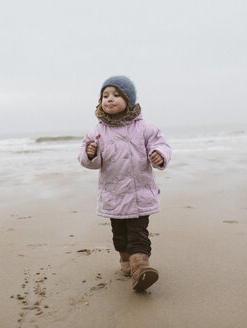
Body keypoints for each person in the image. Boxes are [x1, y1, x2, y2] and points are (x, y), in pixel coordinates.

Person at [78, 75, 171, 291]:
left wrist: (159, 154)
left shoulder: (144, 128)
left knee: (138, 233)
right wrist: (90, 154)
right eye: (105, 95)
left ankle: (140, 266)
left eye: (116, 95)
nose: (110, 99)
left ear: (128, 99)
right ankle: (125, 260)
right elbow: (89, 161)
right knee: (119, 234)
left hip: (139, 192)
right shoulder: (97, 131)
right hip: (113, 193)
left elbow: (161, 143)